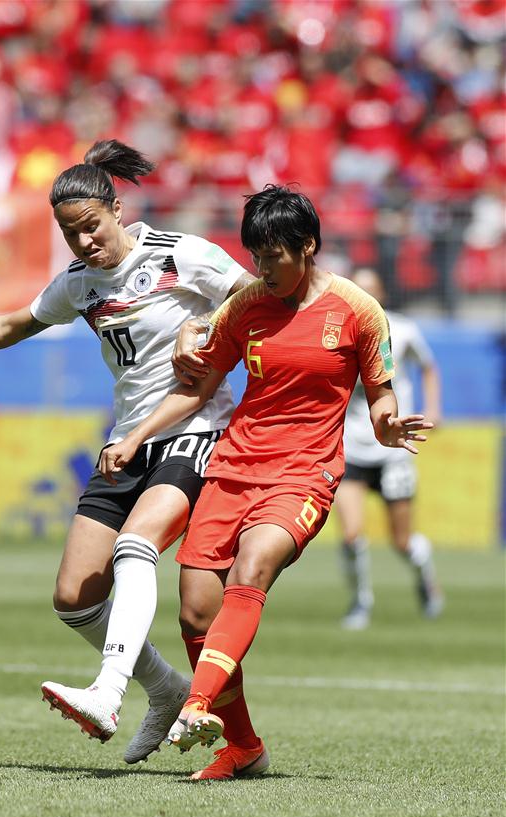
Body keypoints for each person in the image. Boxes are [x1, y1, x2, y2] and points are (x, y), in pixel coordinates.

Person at [0, 139, 255, 764]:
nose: (85, 242)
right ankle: (165, 688)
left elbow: (255, 296)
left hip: (196, 428)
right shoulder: (79, 284)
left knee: (136, 545)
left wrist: (202, 325)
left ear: (117, 208)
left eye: (91, 226)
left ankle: (108, 691)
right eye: (71, 234)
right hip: (128, 440)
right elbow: (10, 326)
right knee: (75, 598)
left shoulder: (182, 255)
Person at [99, 184, 434, 780]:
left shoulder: (357, 309)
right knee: (196, 613)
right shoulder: (246, 305)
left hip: (305, 473)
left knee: (253, 567)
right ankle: (245, 748)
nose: (262, 268)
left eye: (273, 255)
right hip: (232, 468)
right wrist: (134, 436)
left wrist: (386, 427)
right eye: (255, 255)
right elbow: (198, 386)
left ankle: (195, 705)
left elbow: (381, 393)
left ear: (308, 246)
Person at [336, 267, 443, 630]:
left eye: (370, 290)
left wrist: (433, 408)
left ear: (381, 293)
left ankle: (425, 578)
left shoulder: (404, 329)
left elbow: (428, 367)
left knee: (401, 541)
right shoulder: (337, 331)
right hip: (353, 443)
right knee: (351, 534)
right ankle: (360, 603)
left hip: (394, 448)